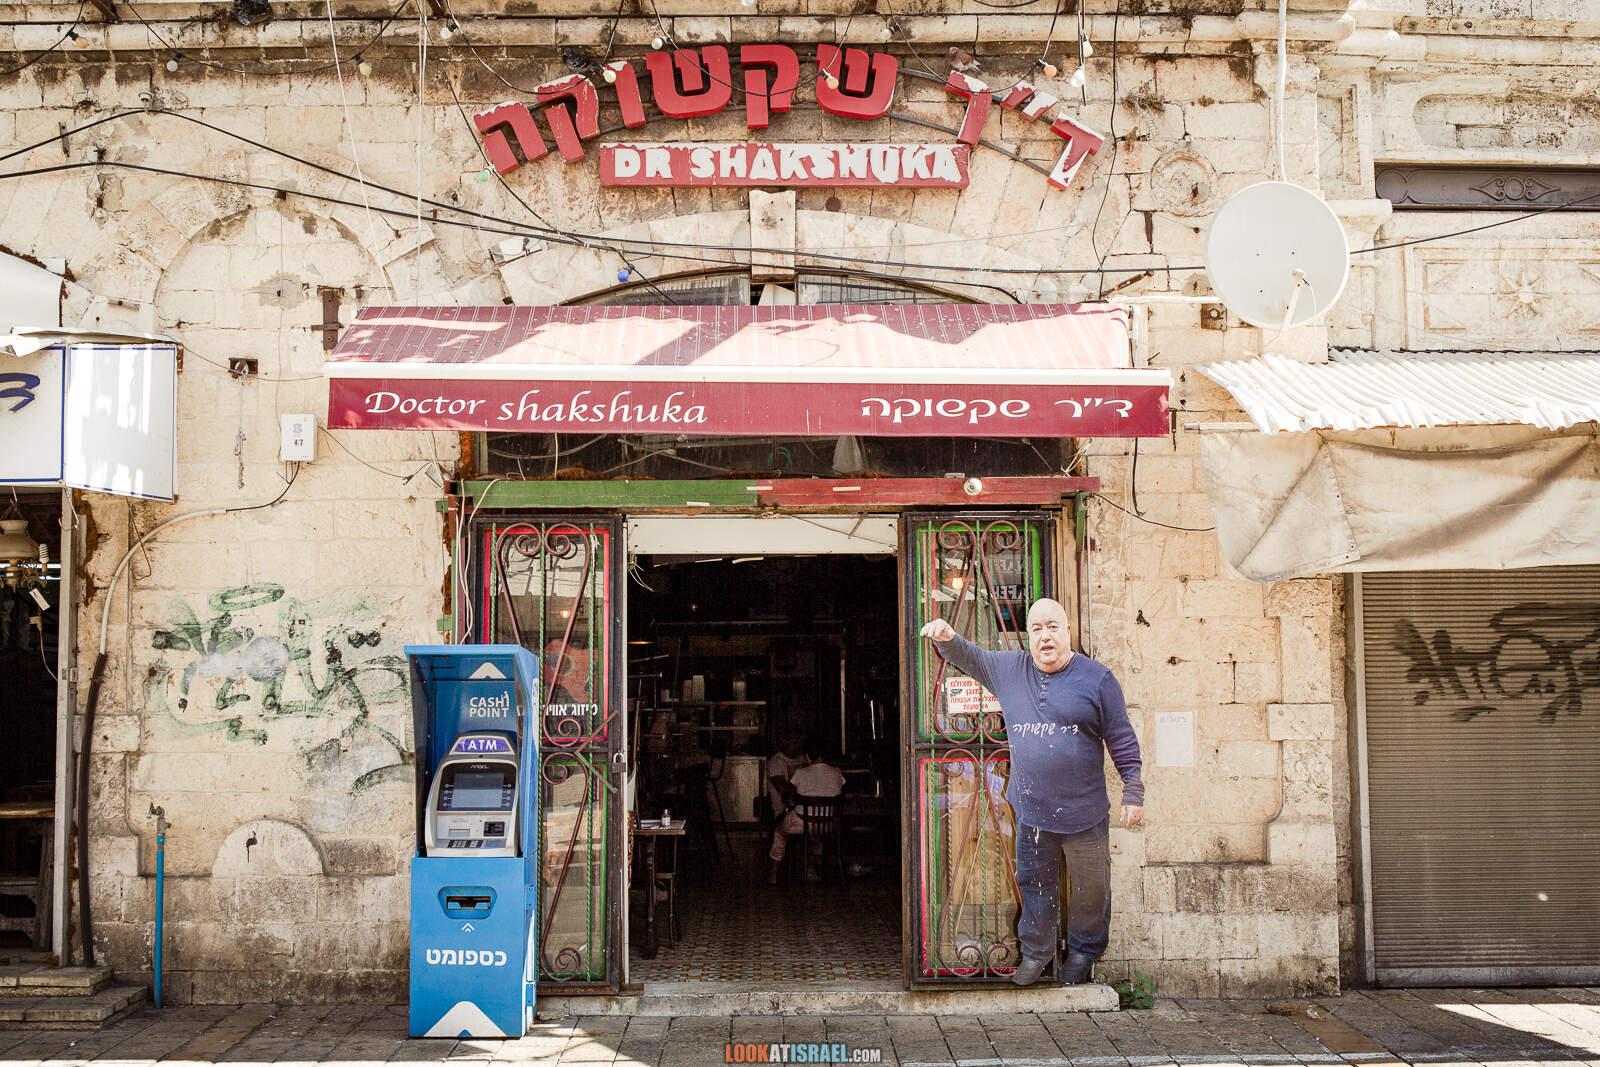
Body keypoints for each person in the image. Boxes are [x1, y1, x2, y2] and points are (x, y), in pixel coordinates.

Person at [920, 598, 1143, 987]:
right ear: (1028, 635)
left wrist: (1133, 790)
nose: (1045, 636)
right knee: (1035, 885)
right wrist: (947, 637)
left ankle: (1083, 953)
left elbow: (1121, 738)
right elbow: (969, 657)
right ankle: (1037, 955)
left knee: (1091, 890)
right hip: (1033, 812)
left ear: (1068, 631)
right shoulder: (1010, 669)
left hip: (1085, 812)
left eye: (1053, 627)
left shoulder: (1098, 679)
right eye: (1037, 628)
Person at [768, 743, 845, 884]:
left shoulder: (800, 773)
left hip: (801, 823)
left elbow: (788, 796)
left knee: (780, 832)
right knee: (816, 835)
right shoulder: (836, 772)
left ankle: (773, 875)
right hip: (828, 824)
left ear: (808, 757)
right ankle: (812, 869)